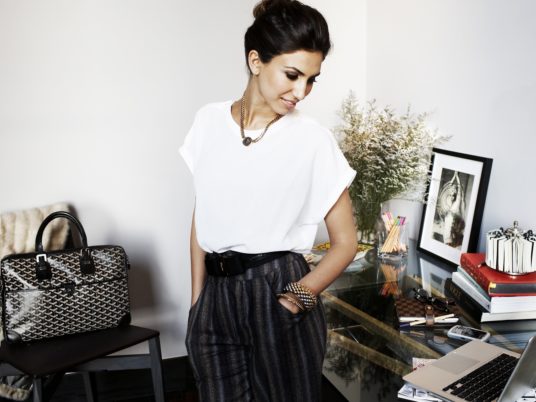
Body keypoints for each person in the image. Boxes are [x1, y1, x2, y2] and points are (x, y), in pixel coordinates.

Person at [179, 1, 357, 400]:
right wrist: (197, 302)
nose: (301, 92)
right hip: (215, 299)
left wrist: (297, 299)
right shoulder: (208, 122)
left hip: (277, 289)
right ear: (256, 61)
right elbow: (202, 216)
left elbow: (346, 243)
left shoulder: (313, 140)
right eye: (292, 75)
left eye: (311, 80)